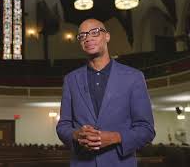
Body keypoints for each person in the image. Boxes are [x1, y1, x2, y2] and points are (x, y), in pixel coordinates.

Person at [56, 19, 155, 167]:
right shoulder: (70, 80)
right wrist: (76, 135)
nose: (88, 38)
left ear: (107, 36)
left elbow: (146, 129)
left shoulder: (134, 77)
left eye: (94, 32)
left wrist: (116, 137)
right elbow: (63, 126)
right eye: (82, 35)